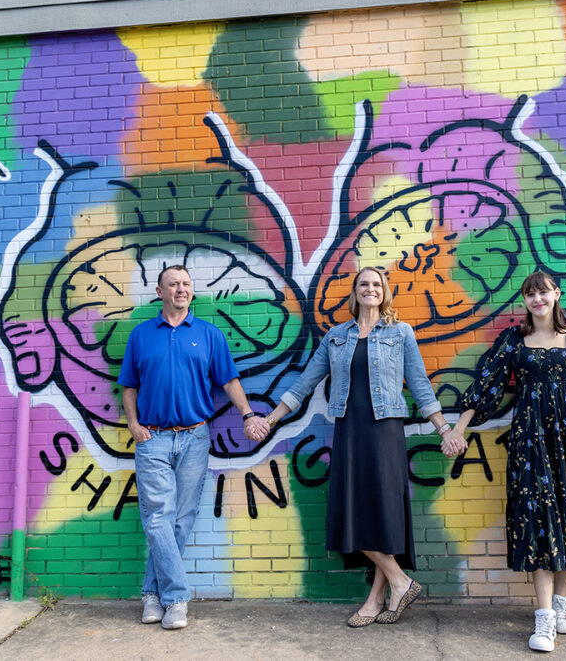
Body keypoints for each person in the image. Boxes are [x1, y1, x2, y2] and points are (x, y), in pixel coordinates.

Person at [261, 266, 461, 627]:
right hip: (350, 430)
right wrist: (271, 418)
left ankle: (377, 599)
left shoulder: (400, 333)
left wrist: (445, 428)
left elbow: (419, 385)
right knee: (349, 510)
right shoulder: (336, 337)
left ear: (384, 293)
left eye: (376, 284)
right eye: (364, 284)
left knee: (382, 511)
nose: (370, 289)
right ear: (354, 293)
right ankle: (399, 582)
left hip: (384, 431)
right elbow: (305, 383)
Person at [446, 271, 566, 653]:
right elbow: (487, 384)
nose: (537, 299)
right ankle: (543, 619)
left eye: (543, 292)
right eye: (530, 294)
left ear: (557, 295)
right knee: (539, 516)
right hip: (531, 442)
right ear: (524, 301)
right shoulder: (513, 339)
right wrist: (458, 428)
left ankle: (561, 604)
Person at [118, 264, 270, 630]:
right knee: (157, 518)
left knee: (181, 520)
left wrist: (248, 413)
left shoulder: (209, 334)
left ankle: (152, 595)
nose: (180, 289)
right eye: (173, 284)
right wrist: (134, 424)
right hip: (152, 438)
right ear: (160, 292)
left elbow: (228, 380)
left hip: (195, 437)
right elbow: (128, 385)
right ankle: (176, 599)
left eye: (185, 284)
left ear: (192, 291)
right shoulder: (141, 335)